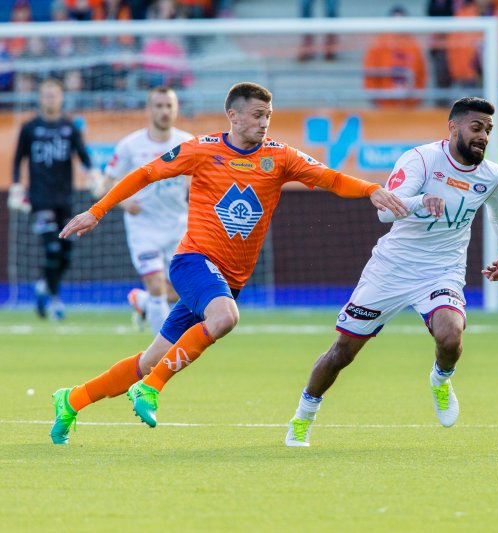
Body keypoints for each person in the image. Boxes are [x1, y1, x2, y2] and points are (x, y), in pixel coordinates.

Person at [50, 82, 407, 445]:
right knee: (225, 318)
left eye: (268, 115)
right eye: (256, 115)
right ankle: (150, 390)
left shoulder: (280, 157)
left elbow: (331, 178)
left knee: (150, 360)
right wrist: (97, 211)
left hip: (229, 278)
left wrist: (371, 190)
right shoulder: (201, 150)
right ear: (233, 116)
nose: (264, 122)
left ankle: (71, 400)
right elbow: (145, 174)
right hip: (193, 262)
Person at [285, 96, 498, 447]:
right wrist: (420, 201)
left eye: (488, 129)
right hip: (392, 270)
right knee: (343, 352)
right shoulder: (421, 159)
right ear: (453, 127)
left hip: (442, 271)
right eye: (476, 127)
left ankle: (440, 380)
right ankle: (303, 416)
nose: (483, 135)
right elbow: (384, 213)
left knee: (451, 335)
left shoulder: (491, 175)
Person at [101, 86, 194, 334]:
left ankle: (141, 302)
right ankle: (161, 352)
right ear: (148, 109)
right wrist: (123, 202)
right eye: (159, 106)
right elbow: (108, 180)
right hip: (143, 226)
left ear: (176, 109)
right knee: (156, 286)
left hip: (177, 225)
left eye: (168, 106)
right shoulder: (130, 145)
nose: (164, 111)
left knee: (179, 292)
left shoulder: (187, 143)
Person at [8, 78, 101, 320]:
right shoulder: (29, 128)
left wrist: (93, 175)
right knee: (51, 248)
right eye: (46, 95)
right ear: (40, 98)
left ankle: (43, 286)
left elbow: (83, 155)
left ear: (61, 98)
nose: (50, 99)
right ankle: (55, 300)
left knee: (66, 252)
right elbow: (18, 160)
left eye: (54, 95)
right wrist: (17, 187)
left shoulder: (69, 128)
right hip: (39, 199)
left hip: (65, 199)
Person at [363, 5, 428, 108]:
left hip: (408, 107)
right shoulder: (379, 44)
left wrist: (417, 99)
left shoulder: (414, 45)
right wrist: (374, 97)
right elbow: (370, 72)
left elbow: (421, 75)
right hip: (385, 105)